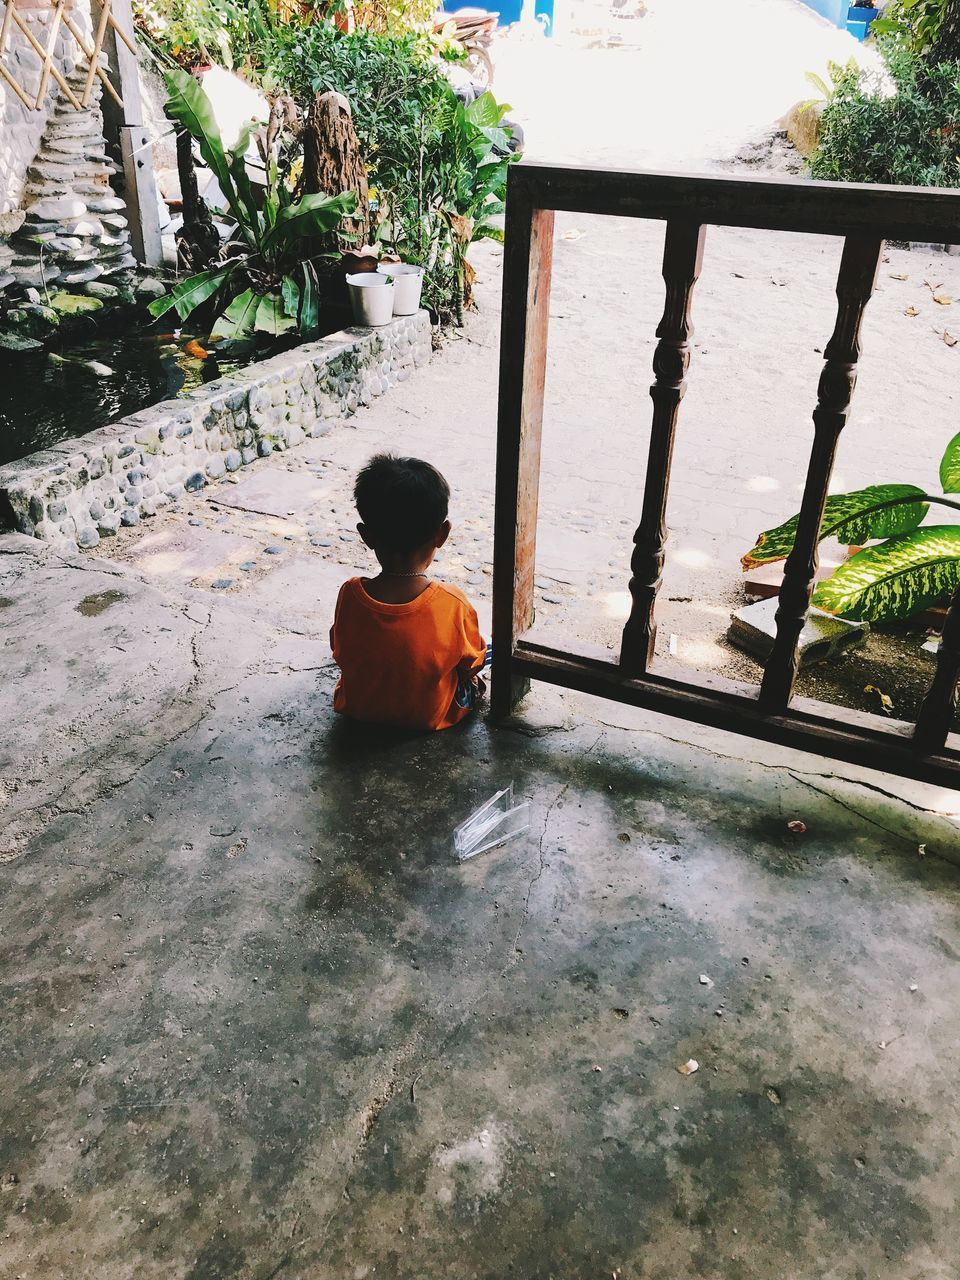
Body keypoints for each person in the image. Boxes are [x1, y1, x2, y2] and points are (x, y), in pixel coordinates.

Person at [330, 453, 490, 730]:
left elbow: (338, 648)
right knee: (486, 650)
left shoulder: (350, 593)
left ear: (366, 536)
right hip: (425, 717)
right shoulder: (451, 602)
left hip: (358, 708)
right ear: (442, 534)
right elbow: (472, 663)